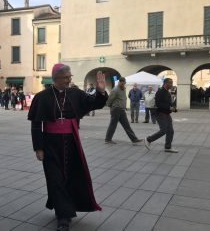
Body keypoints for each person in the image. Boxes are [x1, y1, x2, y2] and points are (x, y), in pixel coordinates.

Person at [28, 63, 107, 231]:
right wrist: (38, 148)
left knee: (71, 176)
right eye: (66, 77)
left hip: (71, 142)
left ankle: (66, 209)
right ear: (55, 79)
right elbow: (36, 125)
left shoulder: (75, 93)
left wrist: (100, 91)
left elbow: (95, 103)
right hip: (50, 144)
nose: (69, 80)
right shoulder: (42, 97)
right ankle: (63, 216)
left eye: (70, 77)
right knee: (55, 179)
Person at [144, 78, 179, 153]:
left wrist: (174, 109)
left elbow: (169, 103)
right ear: (165, 83)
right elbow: (158, 104)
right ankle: (148, 139)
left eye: (172, 83)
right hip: (160, 114)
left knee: (170, 131)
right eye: (170, 83)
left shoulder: (167, 92)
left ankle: (168, 147)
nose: (171, 85)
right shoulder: (160, 92)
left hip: (167, 114)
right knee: (163, 130)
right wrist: (169, 107)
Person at [105, 77, 143, 145]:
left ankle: (134, 139)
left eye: (124, 83)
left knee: (127, 125)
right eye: (122, 83)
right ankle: (108, 139)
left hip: (122, 110)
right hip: (116, 109)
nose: (123, 85)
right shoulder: (115, 90)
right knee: (113, 125)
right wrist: (112, 107)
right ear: (119, 82)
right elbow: (109, 100)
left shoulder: (123, 89)